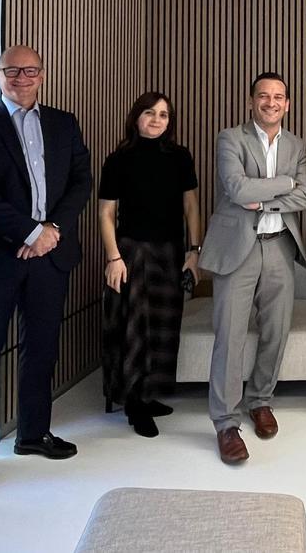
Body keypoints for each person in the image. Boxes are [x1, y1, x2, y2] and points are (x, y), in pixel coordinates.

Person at [0, 46, 93, 497]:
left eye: (30, 70)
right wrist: (29, 233)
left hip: (50, 258)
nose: (22, 77)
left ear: (43, 76)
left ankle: (34, 432)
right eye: (12, 70)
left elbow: (81, 181)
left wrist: (50, 231)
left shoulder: (62, 123)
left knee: (41, 348)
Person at [198, 72, 306, 464]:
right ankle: (226, 423)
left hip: (279, 245)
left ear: (288, 104)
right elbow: (237, 188)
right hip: (238, 249)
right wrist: (283, 184)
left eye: (278, 97)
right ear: (251, 102)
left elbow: (305, 195)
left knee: (276, 330)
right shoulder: (230, 138)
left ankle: (261, 400)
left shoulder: (296, 144)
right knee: (229, 334)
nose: (271, 102)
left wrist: (263, 200)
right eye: (263, 96)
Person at [98, 92, 200, 438]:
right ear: (136, 117)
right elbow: (106, 212)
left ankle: (149, 393)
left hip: (170, 251)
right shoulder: (118, 159)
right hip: (131, 251)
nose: (157, 120)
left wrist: (194, 250)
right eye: (150, 113)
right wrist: (114, 257)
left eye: (164, 115)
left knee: (163, 325)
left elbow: (191, 206)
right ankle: (133, 404)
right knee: (134, 327)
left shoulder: (180, 156)